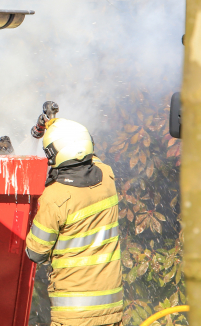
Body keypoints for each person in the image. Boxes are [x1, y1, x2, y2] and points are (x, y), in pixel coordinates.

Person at [25, 118, 123, 326]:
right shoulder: (107, 177)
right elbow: (86, 154)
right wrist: (62, 129)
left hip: (73, 314)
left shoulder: (55, 197)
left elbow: (35, 253)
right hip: (111, 308)